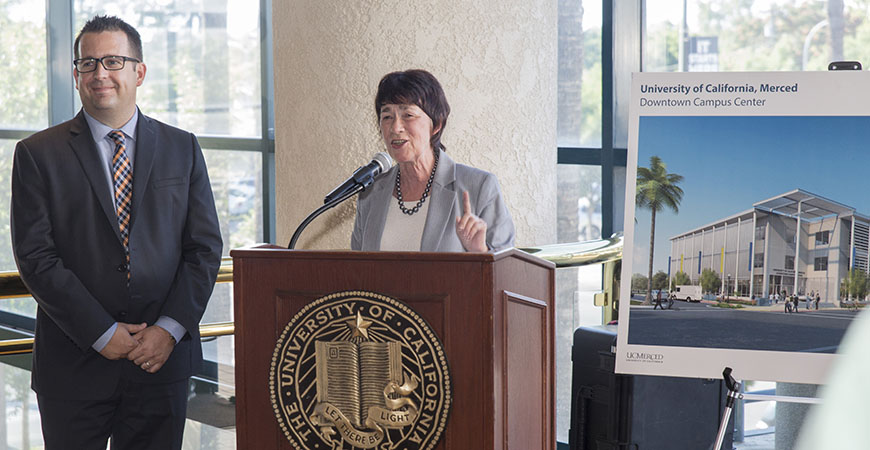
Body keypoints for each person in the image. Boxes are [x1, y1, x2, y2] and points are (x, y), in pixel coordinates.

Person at [10, 15, 222, 449]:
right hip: (74, 364)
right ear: (75, 75)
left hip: (160, 363)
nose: (99, 74)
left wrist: (168, 329)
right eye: (87, 64)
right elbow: (36, 257)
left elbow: (203, 249)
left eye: (112, 61)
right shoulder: (37, 154)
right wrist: (102, 333)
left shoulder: (183, 148)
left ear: (138, 72)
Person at [351, 69, 515, 252]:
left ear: (436, 124)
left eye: (408, 115)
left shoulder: (480, 186)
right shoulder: (371, 193)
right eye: (387, 116)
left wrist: (480, 254)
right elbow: (359, 271)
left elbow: (506, 272)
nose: (395, 127)